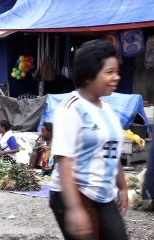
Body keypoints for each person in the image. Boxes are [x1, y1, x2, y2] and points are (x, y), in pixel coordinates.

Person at [49, 39, 128, 240]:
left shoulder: (107, 109)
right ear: (90, 74)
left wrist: (123, 186)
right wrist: (75, 208)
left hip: (102, 193)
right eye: (109, 72)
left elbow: (111, 150)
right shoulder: (71, 108)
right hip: (75, 193)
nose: (116, 78)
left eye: (117, 72)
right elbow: (64, 160)